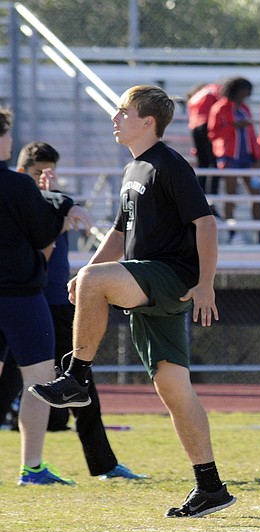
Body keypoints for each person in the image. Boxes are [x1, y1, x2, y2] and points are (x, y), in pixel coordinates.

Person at [28, 86, 235, 517]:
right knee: (173, 387)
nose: (115, 118)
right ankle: (211, 487)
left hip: (169, 276)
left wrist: (206, 285)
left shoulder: (169, 164)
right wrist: (85, 275)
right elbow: (120, 236)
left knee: (94, 281)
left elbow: (207, 224)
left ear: (148, 122)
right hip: (147, 278)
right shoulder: (132, 169)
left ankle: (77, 376)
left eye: (124, 111)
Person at [10, 142, 146, 480]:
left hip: (55, 304)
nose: (46, 179)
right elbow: (35, 244)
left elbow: (74, 218)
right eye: (39, 173)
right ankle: (35, 467)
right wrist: (52, 207)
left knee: (79, 384)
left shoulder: (61, 204)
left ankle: (103, 464)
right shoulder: (17, 203)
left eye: (51, 171)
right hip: (22, 301)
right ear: (22, 173)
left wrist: (58, 203)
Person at [0, 107, 90, 485]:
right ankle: (32, 467)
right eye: (6, 132)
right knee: (38, 379)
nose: (10, 139)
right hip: (20, 296)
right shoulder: (18, 185)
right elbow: (42, 238)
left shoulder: (20, 185)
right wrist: (60, 208)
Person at [207, 76, 260, 245]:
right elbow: (213, 134)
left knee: (256, 194)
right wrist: (233, 127)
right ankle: (233, 234)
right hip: (230, 158)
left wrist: (257, 156)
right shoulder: (219, 108)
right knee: (231, 195)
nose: (246, 94)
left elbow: (251, 134)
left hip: (247, 159)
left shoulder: (245, 108)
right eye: (244, 90)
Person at [186, 82, 221, 198]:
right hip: (207, 125)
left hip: (195, 127)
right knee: (214, 164)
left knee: (203, 164)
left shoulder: (198, 96)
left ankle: (199, 195)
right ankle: (212, 197)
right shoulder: (213, 90)